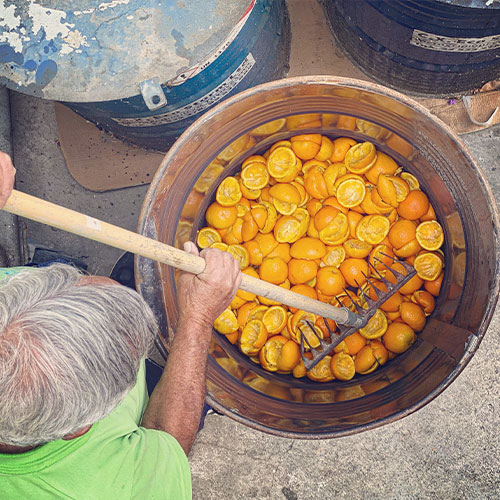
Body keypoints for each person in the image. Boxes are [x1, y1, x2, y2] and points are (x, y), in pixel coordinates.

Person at [0, 151, 242, 499]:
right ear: (79, 428)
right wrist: (198, 317)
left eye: (69, 281)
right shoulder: (117, 487)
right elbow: (165, 437)